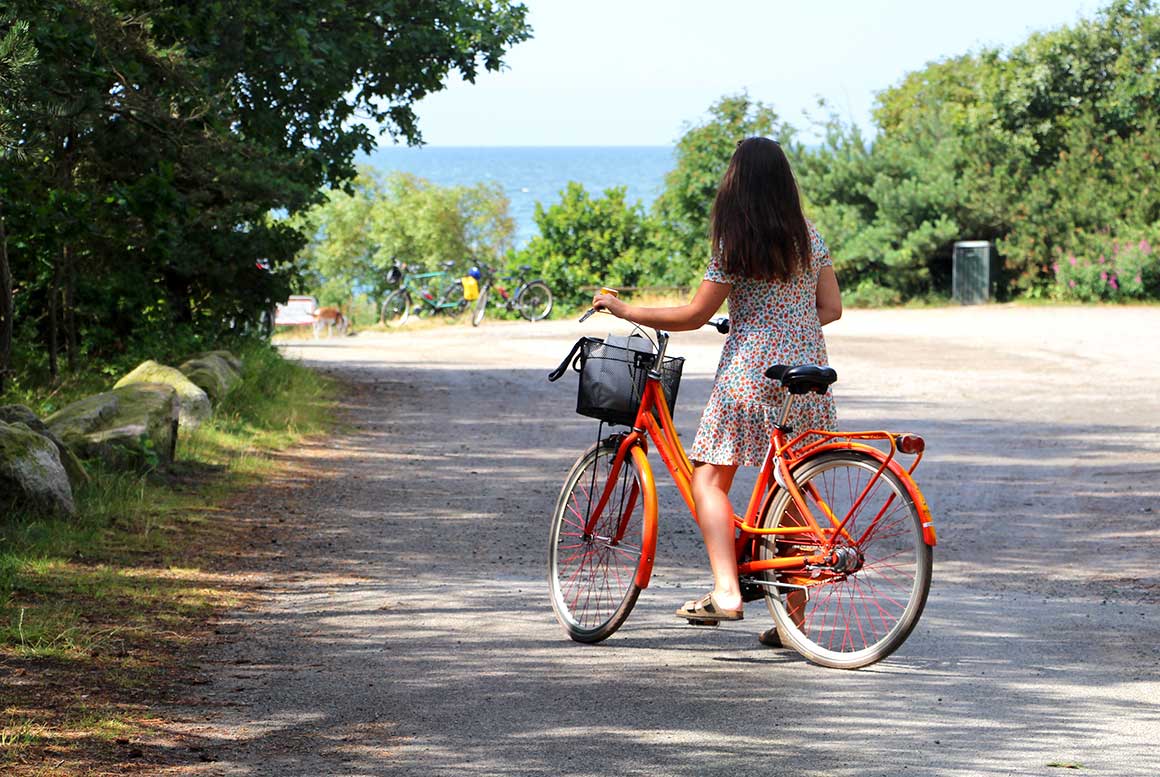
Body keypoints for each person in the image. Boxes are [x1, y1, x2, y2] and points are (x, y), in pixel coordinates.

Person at [591, 136, 842, 646]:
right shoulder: (808, 237)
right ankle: (793, 622)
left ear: (737, 184)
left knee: (709, 481)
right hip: (808, 373)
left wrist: (623, 310)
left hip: (750, 374)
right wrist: (787, 324)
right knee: (789, 489)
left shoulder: (737, 240)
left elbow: (692, 315)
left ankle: (726, 590)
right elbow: (831, 308)